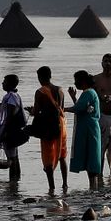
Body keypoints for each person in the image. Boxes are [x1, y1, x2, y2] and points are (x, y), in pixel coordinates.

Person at [29, 66, 68, 197]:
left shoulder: (40, 92)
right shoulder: (60, 90)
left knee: (48, 157)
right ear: (50, 75)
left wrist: (31, 111)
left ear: (40, 78)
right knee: (62, 155)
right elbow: (61, 109)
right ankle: (65, 184)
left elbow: (37, 111)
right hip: (61, 125)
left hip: (47, 126)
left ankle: (51, 188)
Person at [65, 70, 103, 191]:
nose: (75, 83)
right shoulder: (89, 93)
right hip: (89, 128)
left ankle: (93, 187)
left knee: (91, 156)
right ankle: (93, 186)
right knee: (90, 156)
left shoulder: (88, 93)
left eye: (76, 81)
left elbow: (79, 108)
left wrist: (62, 109)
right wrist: (74, 98)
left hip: (88, 129)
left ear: (83, 81)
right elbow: (82, 107)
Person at [0, 73, 27, 181]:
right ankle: (15, 183)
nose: (2, 83)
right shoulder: (12, 96)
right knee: (14, 157)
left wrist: (4, 132)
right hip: (12, 130)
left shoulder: (12, 97)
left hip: (10, 131)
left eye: (4, 81)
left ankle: (13, 184)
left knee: (11, 159)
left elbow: (9, 116)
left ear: (9, 84)